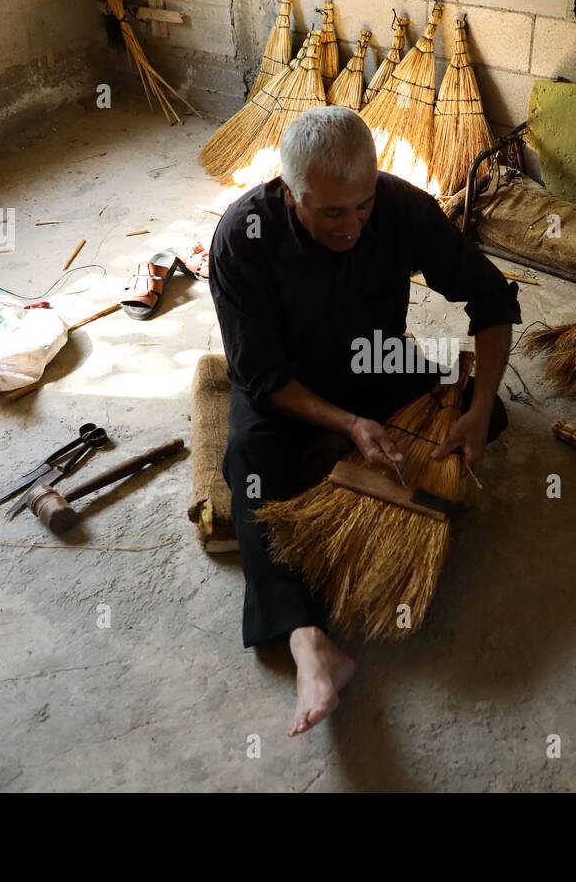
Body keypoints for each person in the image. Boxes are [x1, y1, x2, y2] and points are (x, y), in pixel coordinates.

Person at [209, 106, 521, 736]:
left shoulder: (401, 207)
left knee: (489, 416)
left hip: (372, 358)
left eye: (362, 206)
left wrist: (479, 404)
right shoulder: (241, 235)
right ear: (293, 194)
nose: (353, 225)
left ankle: (345, 455)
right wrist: (349, 425)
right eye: (332, 213)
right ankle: (308, 643)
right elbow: (261, 377)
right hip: (290, 383)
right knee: (248, 462)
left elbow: (493, 299)